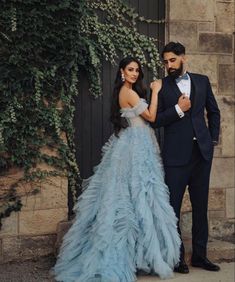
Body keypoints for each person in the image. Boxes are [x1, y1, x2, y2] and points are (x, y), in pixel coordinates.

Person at [52, 57, 181, 282]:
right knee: (136, 193)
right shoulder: (128, 92)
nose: (134, 73)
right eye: (130, 70)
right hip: (135, 145)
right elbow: (150, 116)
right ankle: (125, 255)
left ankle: (137, 255)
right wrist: (157, 91)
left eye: (137, 70)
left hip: (135, 143)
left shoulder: (127, 91)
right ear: (122, 71)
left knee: (137, 194)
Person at [151, 42, 221, 274]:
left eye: (172, 60)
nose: (168, 65)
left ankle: (200, 256)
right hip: (175, 156)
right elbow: (157, 120)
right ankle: (177, 258)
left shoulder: (202, 81)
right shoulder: (162, 86)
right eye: (165, 61)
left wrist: (211, 140)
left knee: (201, 207)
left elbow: (214, 111)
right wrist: (179, 110)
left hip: (201, 154)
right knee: (174, 208)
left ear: (183, 58)